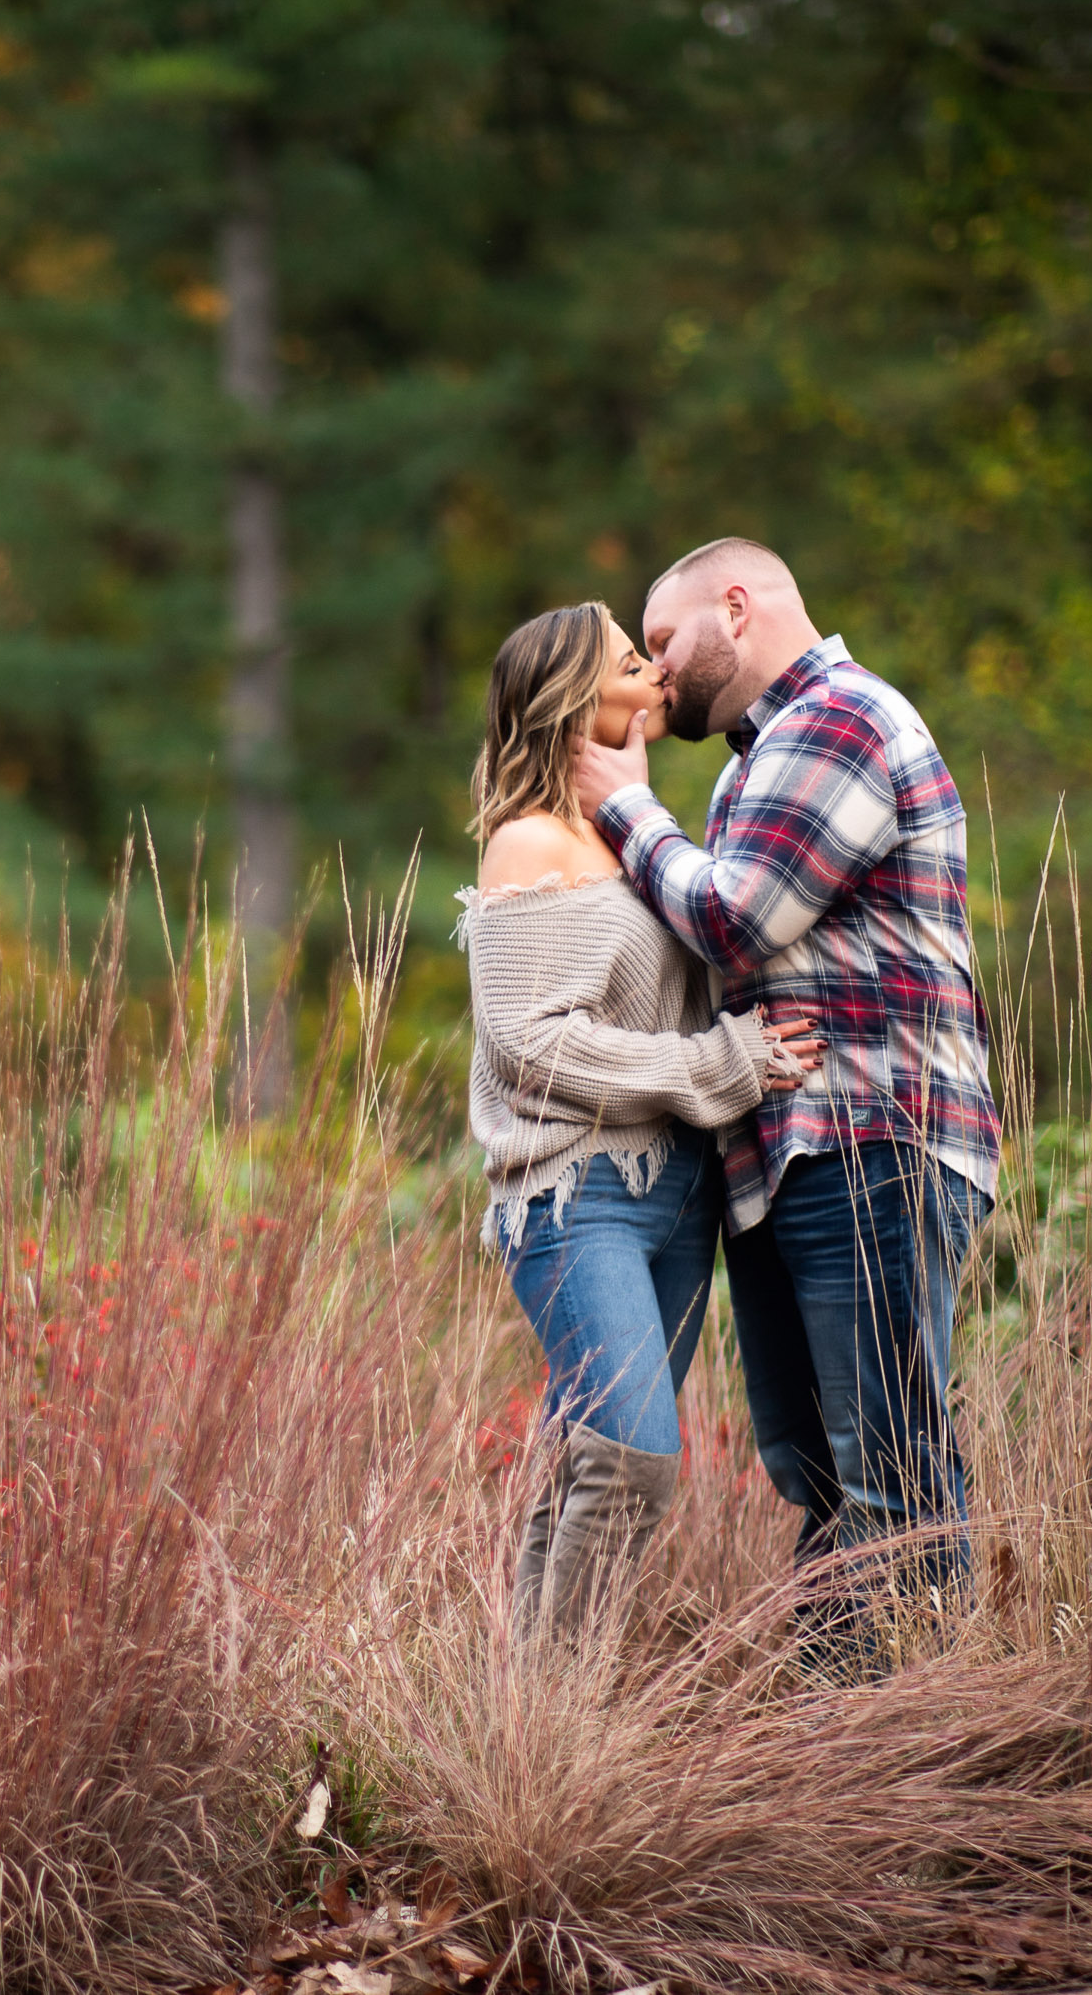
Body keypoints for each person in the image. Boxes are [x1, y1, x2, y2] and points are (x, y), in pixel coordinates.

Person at [569, 538, 998, 1603]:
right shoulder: (751, 764)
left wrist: (627, 808)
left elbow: (736, 919)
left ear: (735, 606)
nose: (656, 669)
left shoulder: (841, 719)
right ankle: (841, 1698)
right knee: (822, 1481)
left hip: (872, 1142)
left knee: (888, 1481)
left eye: (662, 639)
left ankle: (926, 1703)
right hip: (788, 1161)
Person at [463, 600, 822, 1643]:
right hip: (577, 1194)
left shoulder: (630, 831)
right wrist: (721, 1065)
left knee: (585, 1456)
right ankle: (560, 1708)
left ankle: (530, 1705)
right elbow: (529, 1045)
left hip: (681, 1194)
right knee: (631, 1462)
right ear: (575, 700)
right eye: (633, 662)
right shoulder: (528, 843)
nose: (661, 673)